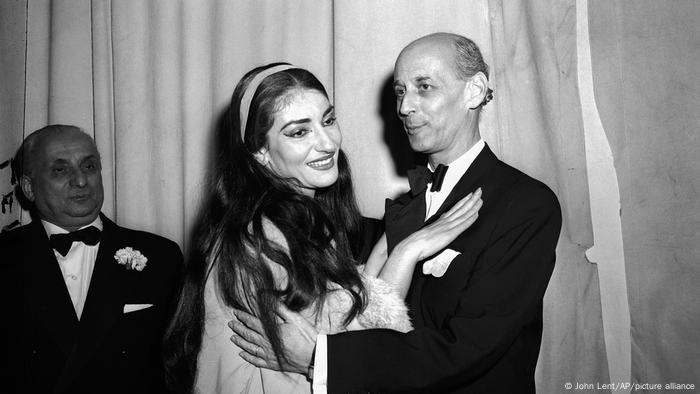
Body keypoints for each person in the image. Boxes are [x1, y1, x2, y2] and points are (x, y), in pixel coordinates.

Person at [229, 33, 563, 393]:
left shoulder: (524, 204)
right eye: (401, 91)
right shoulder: (396, 213)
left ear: (475, 90)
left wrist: (319, 356)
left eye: (424, 87)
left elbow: (468, 348)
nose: (404, 107)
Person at [161, 63, 482, 394]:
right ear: (259, 152)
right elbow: (351, 348)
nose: (328, 143)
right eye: (299, 132)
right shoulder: (261, 239)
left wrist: (396, 247)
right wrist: (406, 254)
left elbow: (345, 321)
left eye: (327, 120)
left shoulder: (298, 220)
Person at [0, 125, 184, 394]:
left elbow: (181, 364)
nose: (81, 181)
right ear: (28, 188)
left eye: (89, 166)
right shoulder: (5, 258)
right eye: (60, 170)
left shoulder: (161, 256)